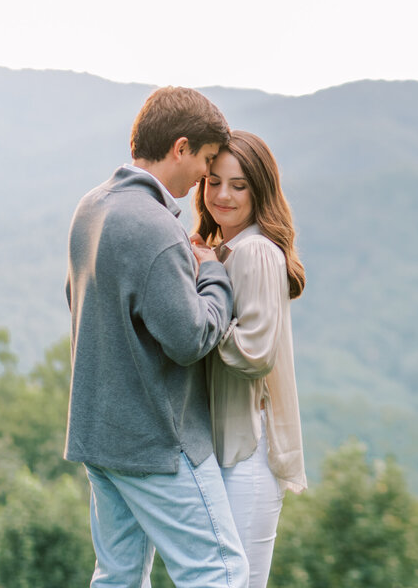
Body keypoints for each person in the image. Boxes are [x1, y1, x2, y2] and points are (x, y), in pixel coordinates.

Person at [65, 86, 250, 587]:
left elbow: (83, 305)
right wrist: (213, 276)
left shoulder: (91, 207)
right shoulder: (155, 225)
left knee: (118, 577)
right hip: (155, 441)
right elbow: (190, 338)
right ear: (181, 147)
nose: (202, 181)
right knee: (221, 572)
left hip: (98, 435)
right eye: (206, 161)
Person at [193, 130, 308, 588]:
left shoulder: (255, 251)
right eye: (213, 181)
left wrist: (198, 312)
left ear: (260, 191)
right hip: (223, 446)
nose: (223, 195)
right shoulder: (223, 248)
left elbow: (255, 351)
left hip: (248, 449)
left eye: (238, 185)